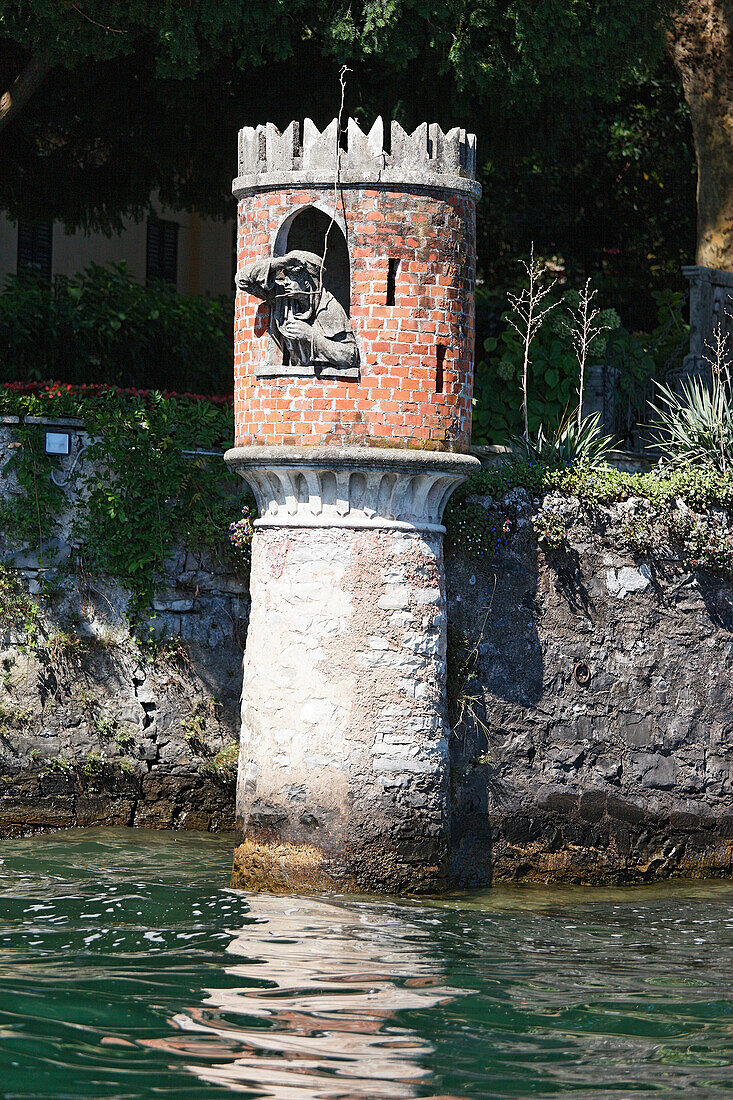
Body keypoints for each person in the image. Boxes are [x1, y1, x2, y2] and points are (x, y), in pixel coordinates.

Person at [236, 250, 358, 371]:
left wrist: (311, 335)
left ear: (307, 282)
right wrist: (280, 262)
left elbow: (350, 356)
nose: (286, 282)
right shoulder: (283, 299)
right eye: (286, 277)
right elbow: (242, 280)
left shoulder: (328, 309)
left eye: (292, 277)